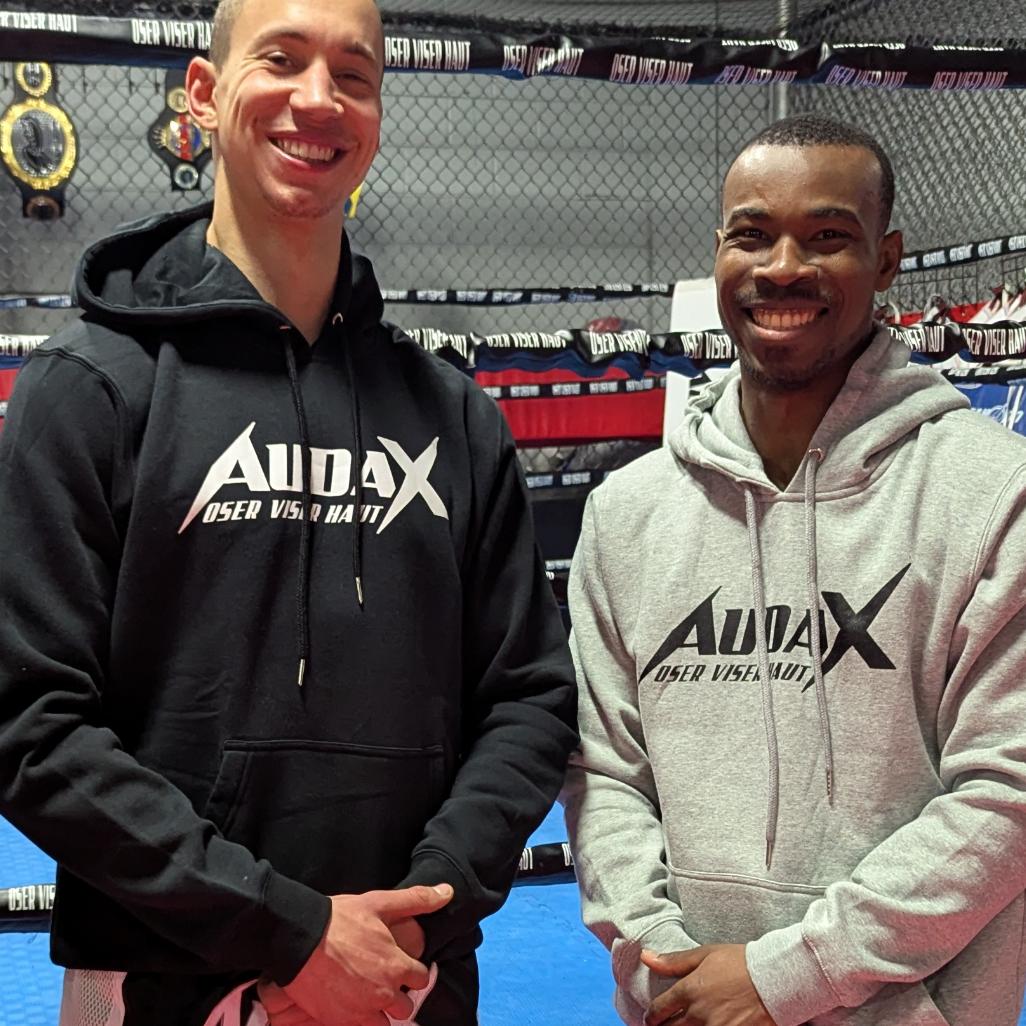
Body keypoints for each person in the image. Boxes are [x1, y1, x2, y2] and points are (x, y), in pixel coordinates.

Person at [0, 1, 578, 1024]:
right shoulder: (90, 388)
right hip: (166, 987)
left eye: (354, 75)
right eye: (282, 59)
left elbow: (528, 697)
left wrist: (415, 919)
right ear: (203, 93)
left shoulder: (450, 414)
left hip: (409, 981)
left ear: (379, 114)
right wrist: (287, 931)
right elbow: (29, 718)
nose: (318, 99)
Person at [561, 113, 1026, 1026]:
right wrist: (662, 960)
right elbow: (604, 772)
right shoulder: (628, 513)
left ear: (886, 261)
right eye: (752, 234)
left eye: (826, 237)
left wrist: (787, 976)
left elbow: (1007, 792)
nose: (782, 268)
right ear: (718, 254)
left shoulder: (992, 493)